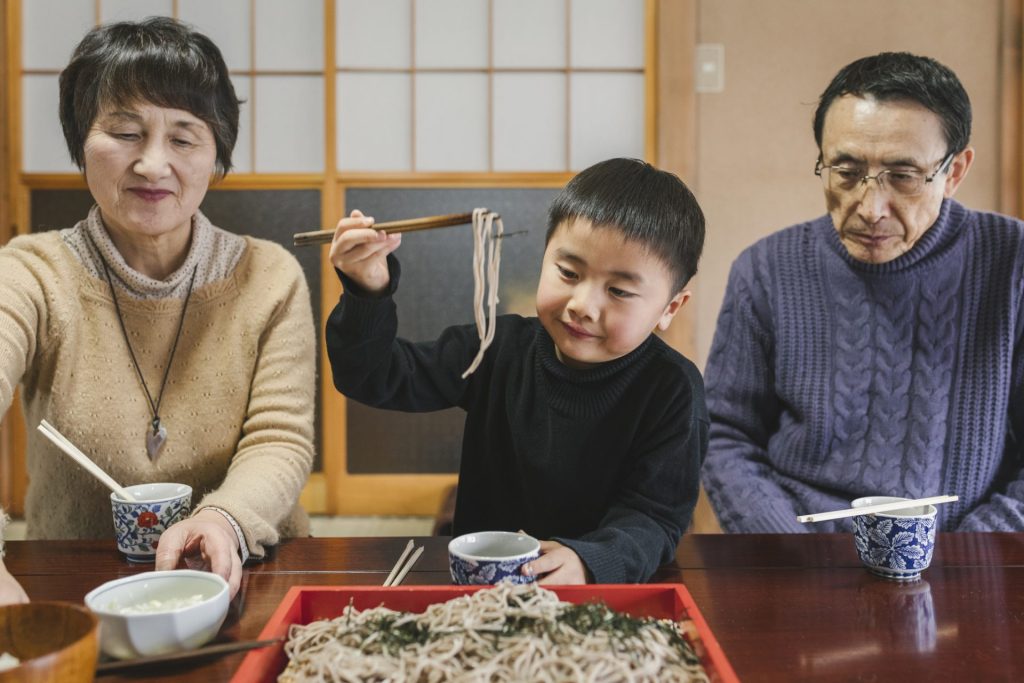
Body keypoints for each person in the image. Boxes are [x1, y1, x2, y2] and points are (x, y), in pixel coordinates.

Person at [0, 17, 316, 602]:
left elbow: (281, 438)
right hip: (73, 584)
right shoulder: (31, 272)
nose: (152, 164)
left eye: (183, 137)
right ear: (80, 142)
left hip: (244, 576)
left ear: (215, 155)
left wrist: (226, 519)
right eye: (124, 132)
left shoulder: (268, 278)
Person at [326, 158, 708, 583]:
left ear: (669, 308)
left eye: (618, 290)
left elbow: (655, 518)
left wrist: (590, 559)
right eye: (568, 272)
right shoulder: (496, 346)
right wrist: (367, 290)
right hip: (482, 589)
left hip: (604, 596)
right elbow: (374, 375)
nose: (582, 304)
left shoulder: (672, 388)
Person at [702, 51, 1024, 533]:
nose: (871, 207)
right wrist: (786, 545)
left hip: (962, 559)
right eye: (846, 172)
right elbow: (723, 434)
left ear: (954, 173)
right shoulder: (767, 267)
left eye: (904, 176)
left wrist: (965, 555)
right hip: (798, 551)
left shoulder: (1012, 262)